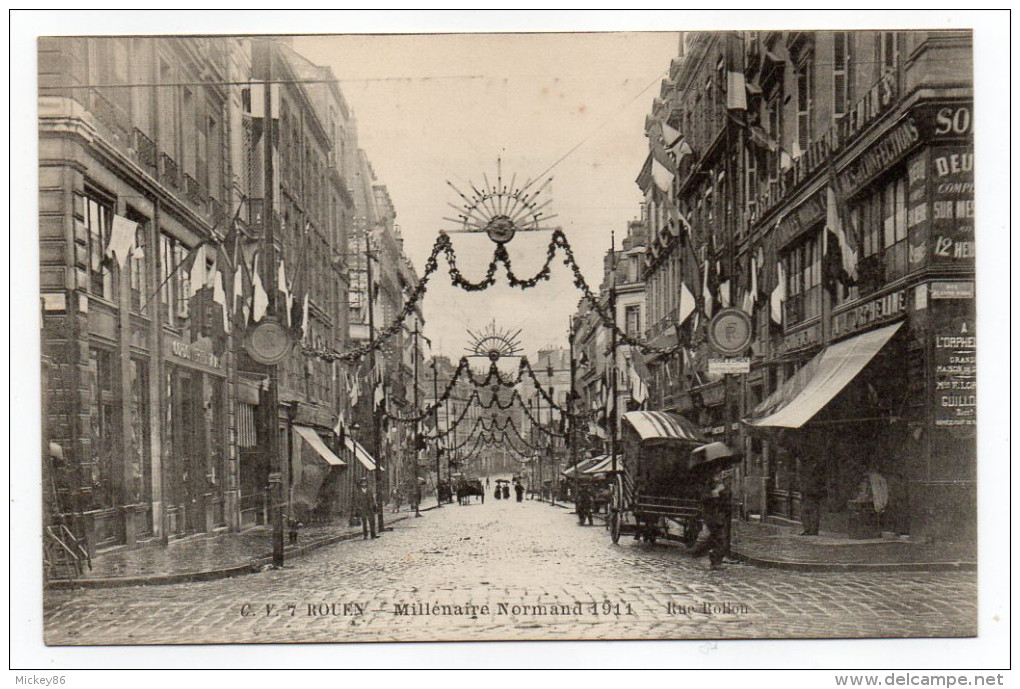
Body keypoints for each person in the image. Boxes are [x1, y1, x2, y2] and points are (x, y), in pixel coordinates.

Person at [800, 460, 826, 536]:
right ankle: (807, 529)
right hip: (806, 493)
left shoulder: (816, 474)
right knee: (804, 511)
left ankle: (813, 530)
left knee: (813, 512)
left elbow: (819, 484)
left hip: (812, 494)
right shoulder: (806, 473)